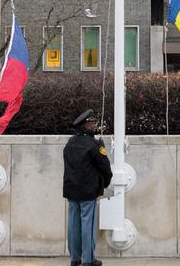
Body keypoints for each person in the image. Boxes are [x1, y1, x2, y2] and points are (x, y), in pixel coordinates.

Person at [63, 109, 113, 266]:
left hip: (72, 190)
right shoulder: (93, 145)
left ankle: (74, 258)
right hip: (87, 191)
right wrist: (105, 182)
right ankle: (88, 259)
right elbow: (105, 168)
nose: (94, 125)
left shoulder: (70, 143)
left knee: (73, 224)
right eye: (91, 123)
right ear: (85, 126)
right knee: (87, 225)